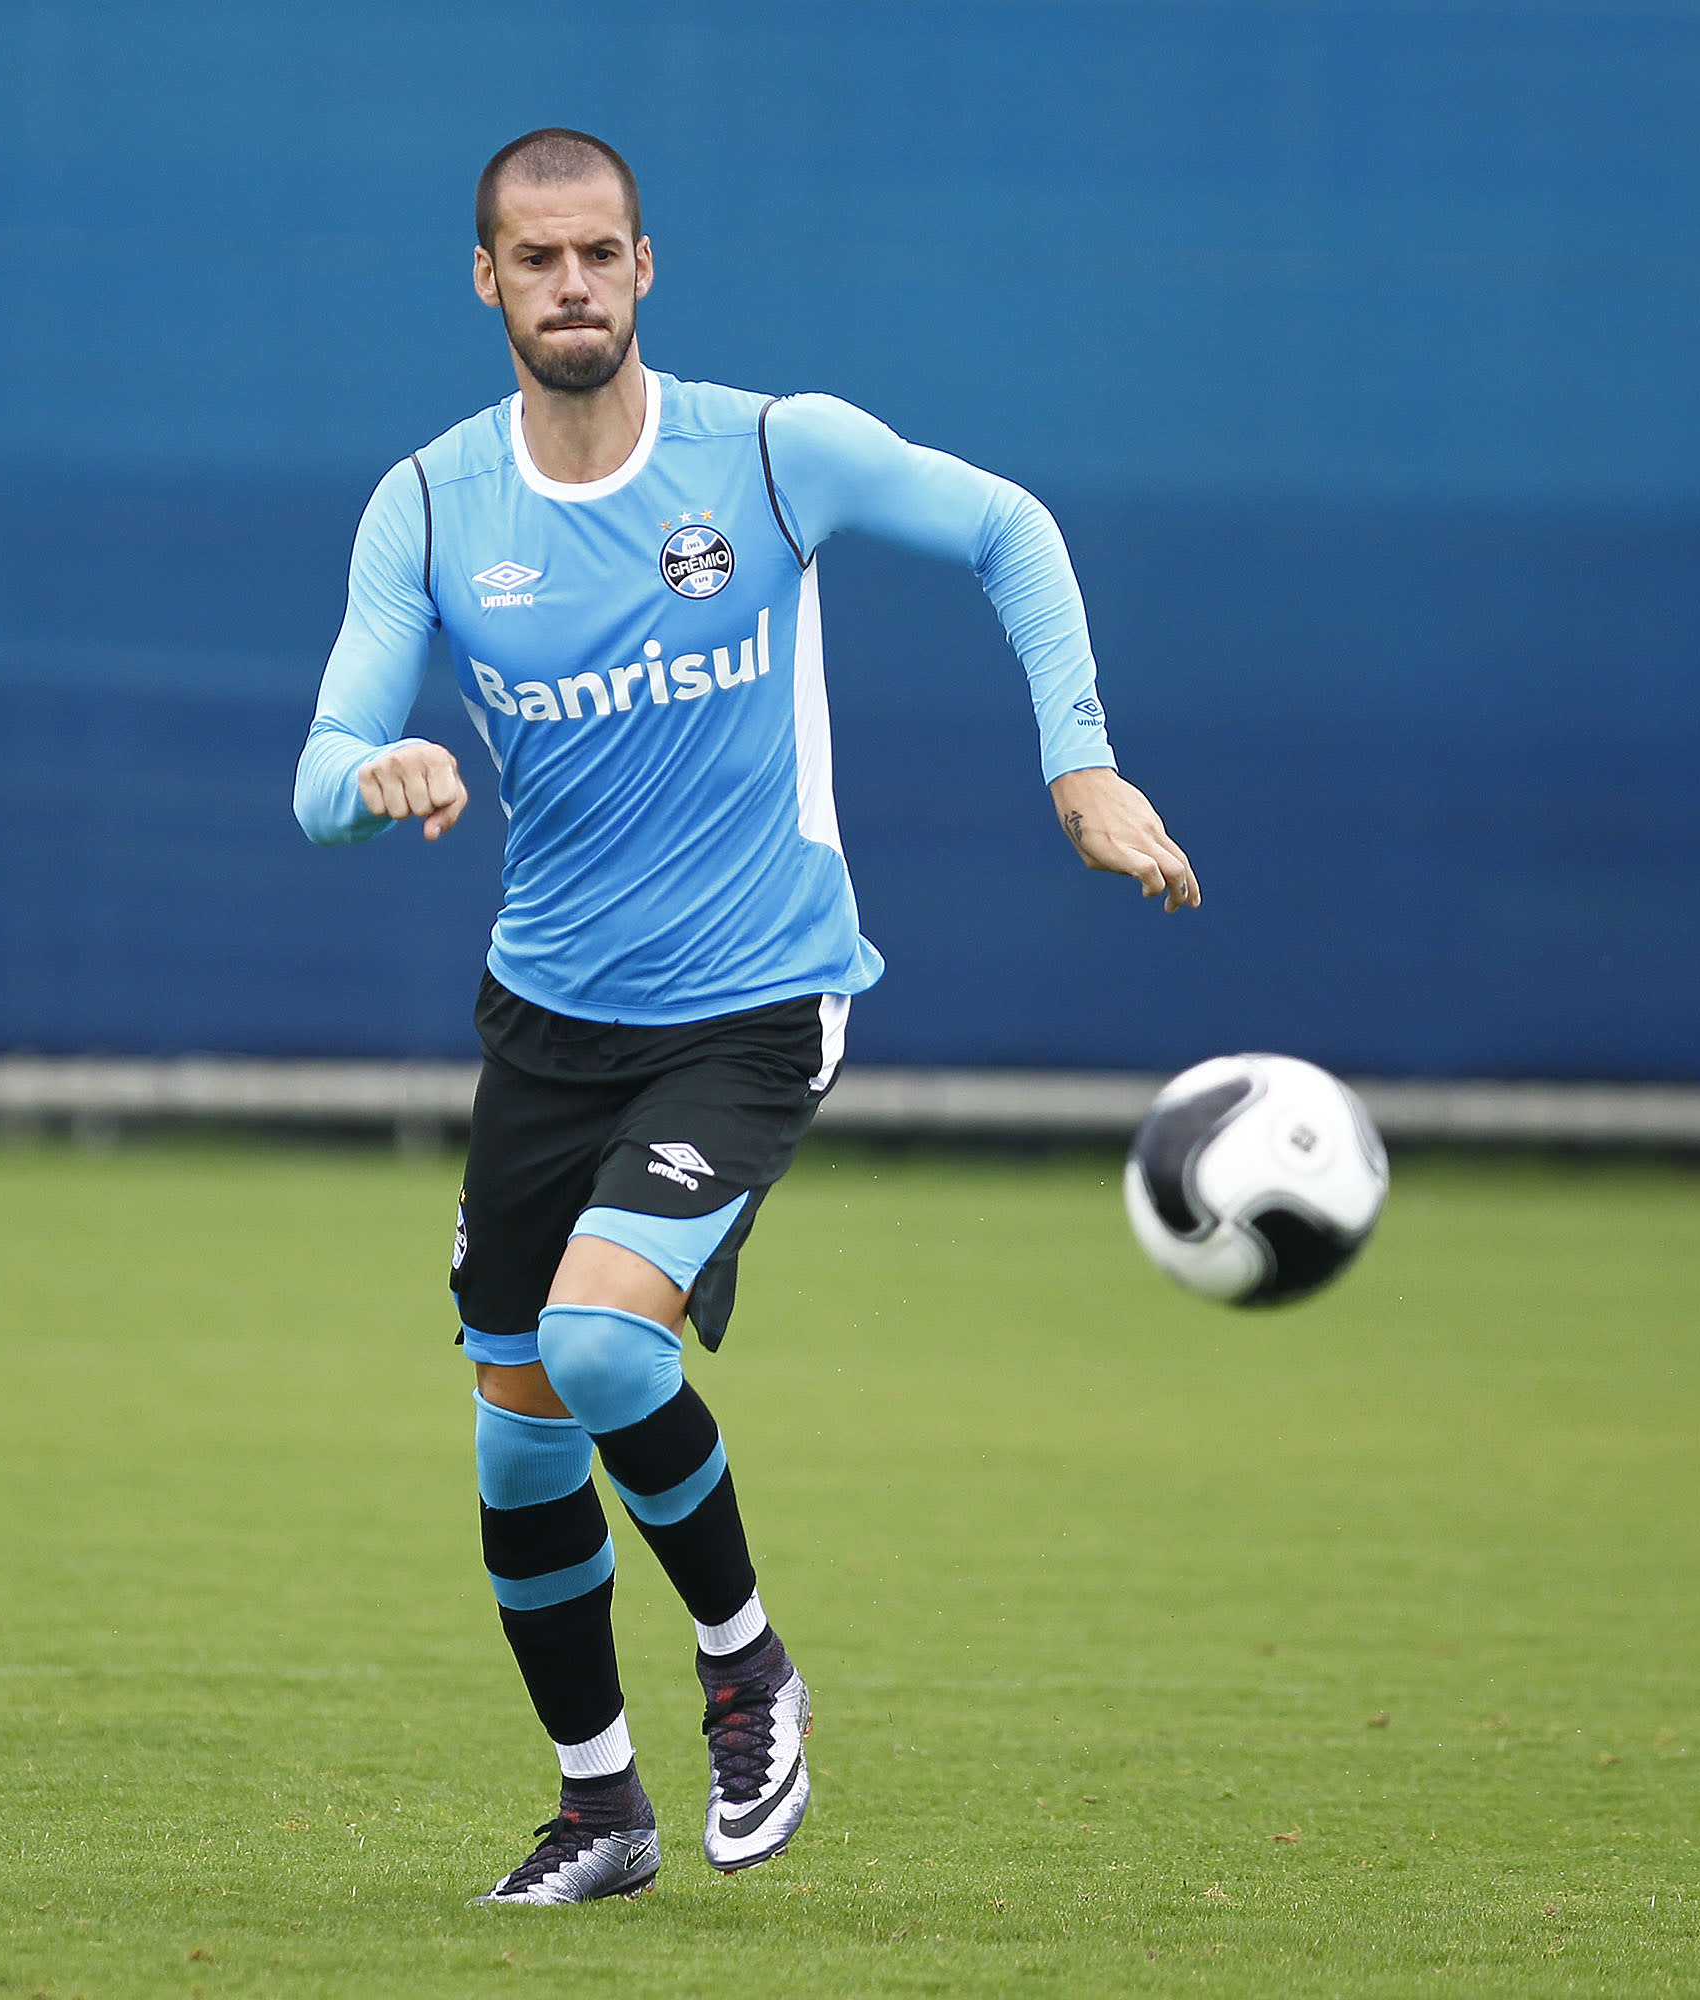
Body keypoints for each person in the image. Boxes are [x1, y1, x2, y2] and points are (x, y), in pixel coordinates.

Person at [296, 130, 1200, 1904]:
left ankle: (749, 1670)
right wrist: (375, 769)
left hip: (758, 998)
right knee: (514, 1424)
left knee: (608, 1344)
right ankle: (598, 1808)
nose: (571, 285)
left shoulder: (775, 455)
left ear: (646, 268)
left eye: (599, 255)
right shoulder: (428, 503)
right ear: (485, 280)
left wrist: (1078, 761)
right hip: (548, 1017)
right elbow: (322, 765)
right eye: (534, 258)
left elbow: (1009, 527)